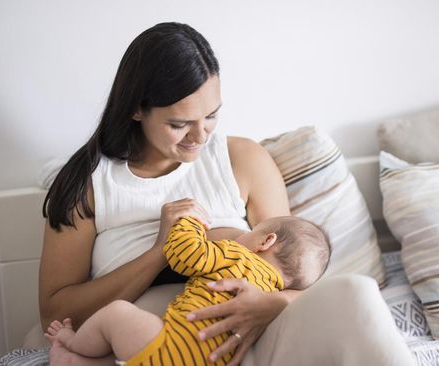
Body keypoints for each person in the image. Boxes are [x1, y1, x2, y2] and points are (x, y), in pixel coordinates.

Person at [40, 21, 416, 366]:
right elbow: (54, 312)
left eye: (211, 116)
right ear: (137, 110)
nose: (200, 137)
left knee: (358, 292)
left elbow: (299, 279)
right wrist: (160, 252)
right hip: (156, 348)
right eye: (179, 124)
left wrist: (272, 304)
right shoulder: (88, 185)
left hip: (251, 341)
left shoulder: (243, 159)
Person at [44, 207, 331, 365]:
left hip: (169, 348)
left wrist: (189, 222)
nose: (241, 236)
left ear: (265, 241)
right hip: (205, 360)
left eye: (249, 231)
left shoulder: (238, 256)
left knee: (116, 314)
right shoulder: (271, 294)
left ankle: (72, 344)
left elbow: (185, 256)